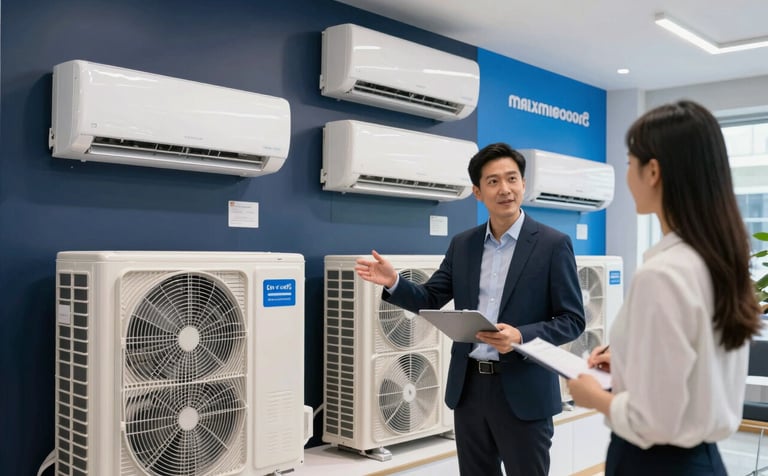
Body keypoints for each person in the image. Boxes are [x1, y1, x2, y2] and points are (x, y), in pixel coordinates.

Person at [355, 143, 586, 476]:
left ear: (523, 184)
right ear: (477, 192)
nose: (505, 189)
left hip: (525, 391)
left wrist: (520, 336)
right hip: (470, 390)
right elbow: (430, 298)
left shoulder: (553, 244)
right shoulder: (463, 244)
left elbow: (572, 320)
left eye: (512, 179)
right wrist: (394, 282)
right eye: (493, 181)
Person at [567, 100, 763, 475]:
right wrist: (630, 363)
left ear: (653, 171)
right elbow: (696, 369)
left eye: (629, 163)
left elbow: (653, 420)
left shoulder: (662, 274)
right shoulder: (721, 261)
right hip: (704, 460)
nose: (628, 176)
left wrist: (592, 396)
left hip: (655, 462)